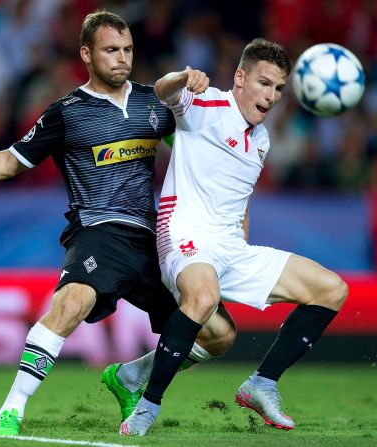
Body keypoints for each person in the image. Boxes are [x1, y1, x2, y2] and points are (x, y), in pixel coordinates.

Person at [0, 10, 236, 436]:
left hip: (154, 239)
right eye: (112, 50)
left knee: (218, 334)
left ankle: (132, 375)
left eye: (127, 50)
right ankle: (11, 410)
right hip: (98, 230)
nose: (122, 58)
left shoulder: (155, 104)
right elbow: (8, 162)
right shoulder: (66, 112)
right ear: (87, 54)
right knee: (73, 302)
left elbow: (201, 152)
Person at [119, 38, 348, 436]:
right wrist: (184, 77)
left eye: (278, 88)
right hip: (184, 233)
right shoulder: (205, 104)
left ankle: (262, 383)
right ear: (240, 77)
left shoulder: (262, 141)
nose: (271, 96)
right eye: (264, 83)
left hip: (229, 246)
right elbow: (161, 91)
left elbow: (241, 201)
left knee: (331, 290)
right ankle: (147, 408)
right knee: (203, 299)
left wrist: (241, 243)